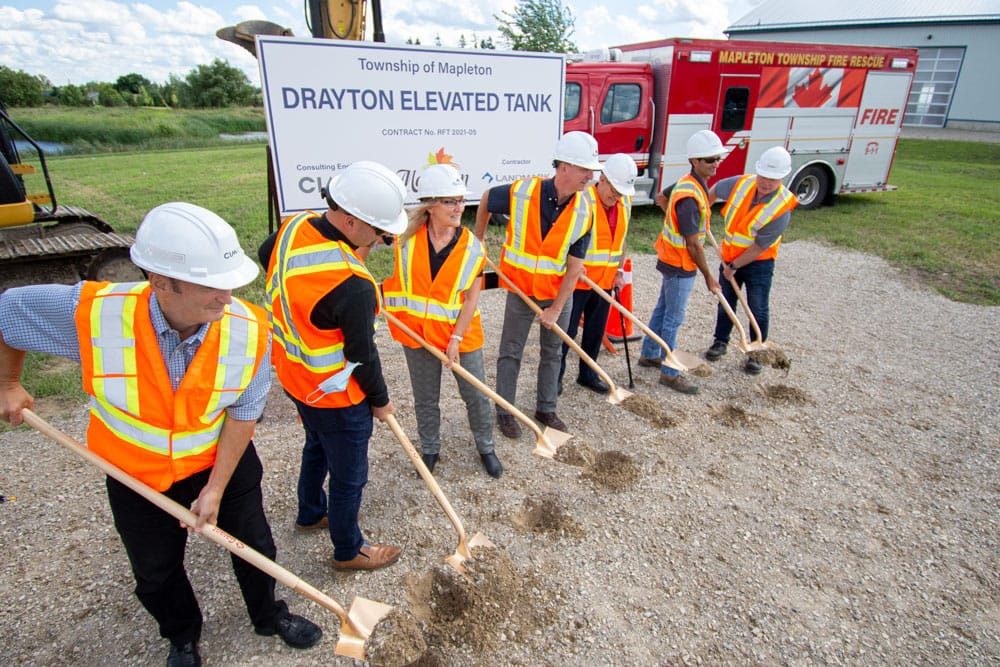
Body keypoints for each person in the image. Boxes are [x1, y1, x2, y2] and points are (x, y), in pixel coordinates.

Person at [0, 202, 322, 667]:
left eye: (228, 281)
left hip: (220, 465)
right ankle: (182, 636)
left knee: (255, 547)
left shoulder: (249, 329)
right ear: (159, 282)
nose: (226, 297)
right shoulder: (94, 314)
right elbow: (8, 312)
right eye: (210, 284)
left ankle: (269, 613)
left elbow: (243, 414)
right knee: (155, 572)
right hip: (135, 475)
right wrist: (8, 384)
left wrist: (214, 489)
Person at [259, 160, 405, 572]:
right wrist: (380, 401)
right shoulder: (351, 282)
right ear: (350, 219)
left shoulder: (293, 227)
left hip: (296, 378)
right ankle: (348, 549)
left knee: (317, 446)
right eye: (378, 233)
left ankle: (309, 513)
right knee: (349, 475)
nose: (379, 242)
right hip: (338, 396)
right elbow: (362, 357)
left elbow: (264, 254)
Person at [474, 131, 597, 438]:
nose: (590, 176)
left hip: (558, 293)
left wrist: (556, 308)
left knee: (553, 352)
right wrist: (478, 239)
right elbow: (487, 199)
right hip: (521, 289)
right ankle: (505, 410)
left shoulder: (584, 211)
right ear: (564, 167)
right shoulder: (523, 192)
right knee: (510, 351)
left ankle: (546, 408)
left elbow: (575, 267)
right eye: (585, 169)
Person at [383, 164, 502, 478]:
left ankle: (486, 447)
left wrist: (456, 339)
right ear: (430, 206)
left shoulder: (473, 248)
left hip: (461, 336)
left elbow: (471, 299)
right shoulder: (404, 241)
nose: (459, 208)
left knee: (475, 395)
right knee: (425, 399)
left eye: (461, 201)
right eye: (450, 201)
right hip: (416, 336)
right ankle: (430, 450)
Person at [637, 129, 723, 395]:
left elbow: (662, 199)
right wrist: (709, 276)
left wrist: (670, 216)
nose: (715, 164)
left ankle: (650, 353)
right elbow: (693, 244)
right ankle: (670, 373)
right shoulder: (689, 196)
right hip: (680, 264)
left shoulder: (690, 184)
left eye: (717, 158)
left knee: (663, 309)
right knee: (674, 317)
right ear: (694, 161)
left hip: (672, 260)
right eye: (709, 160)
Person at [704, 146, 798, 374]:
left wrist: (734, 267)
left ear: (782, 178)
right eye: (763, 177)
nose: (766, 183)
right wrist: (703, 210)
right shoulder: (742, 183)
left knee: (757, 307)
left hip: (758, 264)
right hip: (728, 256)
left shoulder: (782, 208)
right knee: (725, 301)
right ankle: (720, 341)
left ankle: (757, 352)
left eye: (773, 180)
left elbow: (759, 246)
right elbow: (715, 189)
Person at [558, 153, 637, 395]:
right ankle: (555, 378)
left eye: (621, 192)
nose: (616, 197)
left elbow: (621, 240)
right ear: (601, 179)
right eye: (613, 190)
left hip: (604, 282)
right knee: (566, 334)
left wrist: (619, 270)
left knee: (594, 331)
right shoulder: (581, 200)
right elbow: (563, 239)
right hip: (577, 283)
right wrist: (572, 267)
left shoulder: (624, 203)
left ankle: (588, 374)